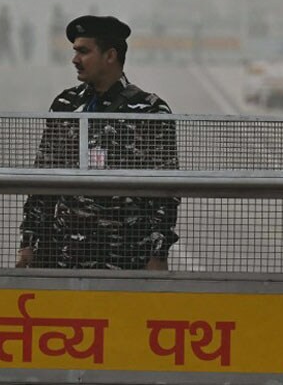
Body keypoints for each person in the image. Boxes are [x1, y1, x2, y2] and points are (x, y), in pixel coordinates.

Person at [18, 15, 179, 271]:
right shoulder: (66, 106)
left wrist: (158, 255)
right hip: (61, 258)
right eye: (75, 51)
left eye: (84, 51)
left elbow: (167, 192)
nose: (75, 59)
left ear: (110, 55)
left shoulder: (148, 111)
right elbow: (42, 180)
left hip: (124, 260)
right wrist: (29, 241)